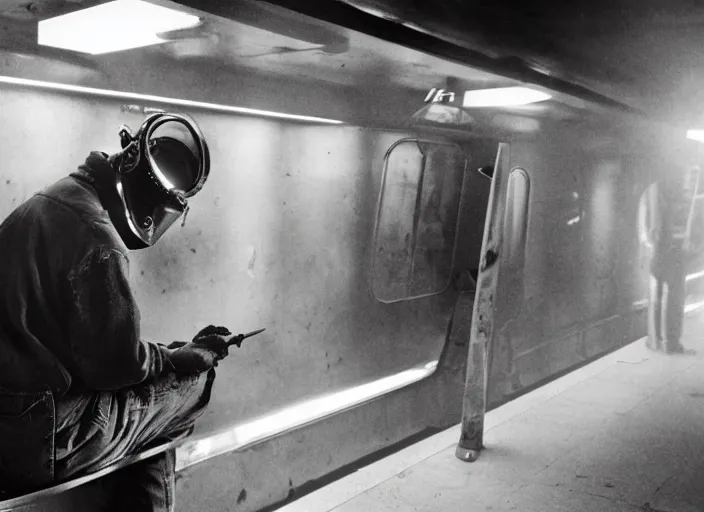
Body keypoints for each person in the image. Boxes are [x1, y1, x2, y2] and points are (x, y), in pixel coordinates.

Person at [0, 112, 232, 511]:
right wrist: (178, 359)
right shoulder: (99, 237)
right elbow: (116, 367)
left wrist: (163, 356)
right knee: (192, 387)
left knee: (155, 396)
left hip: (9, 414)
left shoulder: (48, 201)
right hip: (41, 436)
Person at [639, 167, 699, 354]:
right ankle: (670, 343)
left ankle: (655, 340)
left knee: (656, 297)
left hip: (659, 249)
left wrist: (648, 242)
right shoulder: (682, 192)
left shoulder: (651, 190)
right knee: (674, 297)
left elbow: (643, 222)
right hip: (674, 249)